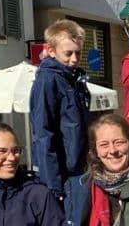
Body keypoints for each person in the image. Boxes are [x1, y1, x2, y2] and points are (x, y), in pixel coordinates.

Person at [30, 19, 90, 197]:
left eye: (78, 53)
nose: (74, 59)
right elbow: (43, 133)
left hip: (77, 169)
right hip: (61, 174)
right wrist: (53, 185)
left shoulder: (75, 80)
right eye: (68, 53)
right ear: (51, 51)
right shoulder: (47, 80)